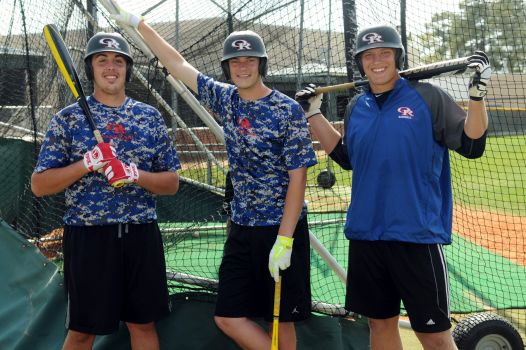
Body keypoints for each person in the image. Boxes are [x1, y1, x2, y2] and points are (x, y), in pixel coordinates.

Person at [111, 4, 317, 349]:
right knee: (228, 316)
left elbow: (299, 177)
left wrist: (285, 239)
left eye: (249, 60)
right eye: (235, 62)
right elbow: (178, 64)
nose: (242, 67)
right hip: (242, 227)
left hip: (282, 229)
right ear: (227, 67)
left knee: (281, 319)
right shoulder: (226, 99)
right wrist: (140, 24)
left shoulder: (287, 109)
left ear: (260, 64)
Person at [295, 24, 491, 350]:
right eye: (368, 55)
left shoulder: (428, 97)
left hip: (415, 235)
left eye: (384, 53)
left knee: (435, 336)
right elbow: (346, 157)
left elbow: (473, 144)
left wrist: (476, 97)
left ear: (397, 56)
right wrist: (313, 114)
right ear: (360, 62)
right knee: (379, 325)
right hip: (366, 234)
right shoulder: (358, 106)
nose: (376, 61)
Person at [31, 32, 181, 350]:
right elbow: (39, 185)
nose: (111, 67)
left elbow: (171, 183)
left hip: (140, 234)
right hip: (88, 238)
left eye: (118, 61)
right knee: (84, 332)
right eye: (102, 60)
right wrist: (86, 163)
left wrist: (134, 174)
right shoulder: (67, 120)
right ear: (91, 68)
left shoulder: (149, 117)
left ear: (126, 68)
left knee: (143, 325)